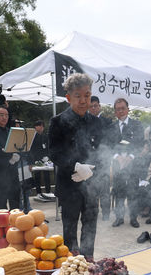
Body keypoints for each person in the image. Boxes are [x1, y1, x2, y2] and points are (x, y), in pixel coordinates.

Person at [48, 73, 104, 258]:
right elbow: (55, 153)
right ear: (68, 97)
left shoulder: (96, 122)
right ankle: (72, 264)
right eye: (78, 96)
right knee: (70, 229)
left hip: (92, 185)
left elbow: (102, 152)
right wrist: (76, 166)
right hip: (69, 185)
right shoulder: (58, 122)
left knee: (90, 227)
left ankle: (88, 261)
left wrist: (91, 170)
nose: (83, 100)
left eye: (87, 95)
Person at [109, 97, 144, 228]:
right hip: (118, 165)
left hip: (133, 164)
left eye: (123, 108)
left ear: (128, 109)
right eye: (118, 109)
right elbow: (109, 145)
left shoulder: (137, 125)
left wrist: (130, 157)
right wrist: (118, 157)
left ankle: (133, 218)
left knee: (133, 192)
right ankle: (119, 218)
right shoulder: (111, 127)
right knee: (118, 191)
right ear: (115, 112)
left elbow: (140, 144)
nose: (121, 111)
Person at [89, 96, 112, 220]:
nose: (93, 108)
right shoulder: (83, 121)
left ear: (99, 106)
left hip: (103, 160)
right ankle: (92, 213)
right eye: (91, 106)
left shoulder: (107, 122)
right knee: (91, 189)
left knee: (104, 189)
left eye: (95, 105)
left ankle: (106, 214)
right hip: (88, 161)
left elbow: (110, 141)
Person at [30, 120, 54, 202]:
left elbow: (48, 147)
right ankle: (38, 192)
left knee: (47, 175)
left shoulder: (45, 136)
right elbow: (31, 149)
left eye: (42, 126)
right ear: (35, 127)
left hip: (45, 159)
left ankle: (48, 191)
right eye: (39, 126)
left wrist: (48, 156)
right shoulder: (33, 137)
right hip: (36, 159)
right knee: (37, 176)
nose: (41, 127)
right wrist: (34, 159)